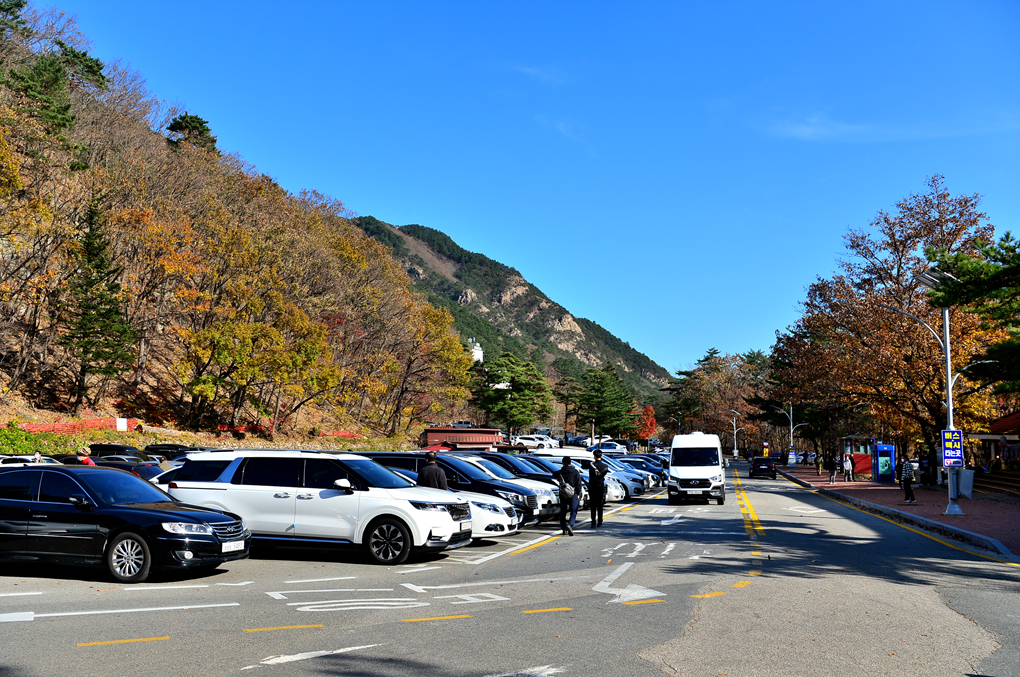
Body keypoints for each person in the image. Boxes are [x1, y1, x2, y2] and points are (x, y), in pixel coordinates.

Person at [554, 456, 582, 536]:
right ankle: (570, 524)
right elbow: (578, 483)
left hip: (563, 494)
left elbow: (554, 475)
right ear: (570, 463)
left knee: (563, 511)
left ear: (563, 463)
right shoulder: (575, 471)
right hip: (572, 493)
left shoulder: (560, 472)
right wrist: (578, 493)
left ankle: (563, 528)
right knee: (573, 511)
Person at [588, 450, 609, 528]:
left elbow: (583, 466)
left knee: (593, 505)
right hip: (600, 486)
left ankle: (593, 522)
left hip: (592, 486)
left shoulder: (591, 465)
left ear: (595, 456)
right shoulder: (605, 466)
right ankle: (600, 521)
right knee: (600, 504)